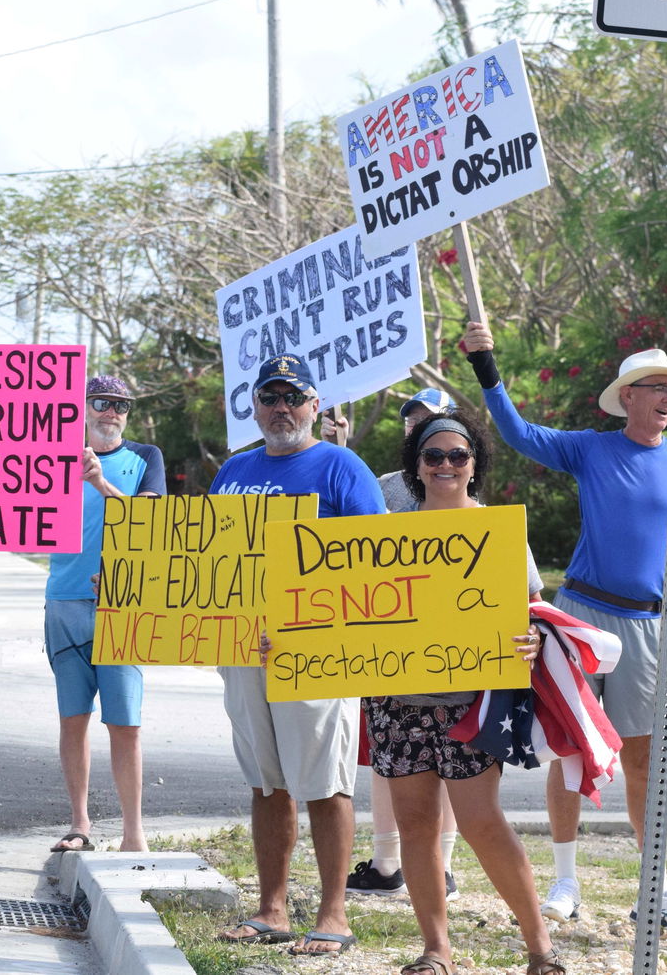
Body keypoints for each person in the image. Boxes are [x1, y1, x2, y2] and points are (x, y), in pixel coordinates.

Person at [461, 321, 667, 938]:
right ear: (627, 396)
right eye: (653, 387)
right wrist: (485, 363)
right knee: (570, 746)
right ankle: (565, 880)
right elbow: (518, 433)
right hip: (581, 616)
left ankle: (655, 889)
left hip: (649, 625)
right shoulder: (592, 449)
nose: (665, 399)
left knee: (644, 760)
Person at [369, 409, 562, 975]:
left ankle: (540, 948)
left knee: (481, 821)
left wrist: (530, 641)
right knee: (415, 824)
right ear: (418, 467)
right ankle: (436, 951)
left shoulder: (500, 530)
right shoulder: (385, 531)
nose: (446, 465)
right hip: (395, 700)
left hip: (471, 702)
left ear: (474, 466)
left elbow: (531, 609)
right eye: (434, 456)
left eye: (458, 456)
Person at [212, 353, 385, 956]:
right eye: (269, 397)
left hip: (317, 651)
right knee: (266, 781)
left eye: (294, 397)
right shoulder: (232, 472)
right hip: (241, 649)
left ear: (315, 406)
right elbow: (204, 564)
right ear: (254, 406)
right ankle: (272, 909)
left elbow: (375, 564)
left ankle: (333, 915)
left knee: (325, 782)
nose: (281, 408)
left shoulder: (342, 467)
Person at [326, 387, 468, 902]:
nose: (420, 431)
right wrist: (340, 451)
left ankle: (444, 868)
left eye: (432, 424)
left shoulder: (472, 500)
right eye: (413, 423)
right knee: (386, 759)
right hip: (390, 646)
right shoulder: (382, 486)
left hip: (451, 652)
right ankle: (388, 864)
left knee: (452, 764)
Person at [42, 375, 165, 854]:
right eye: (102, 402)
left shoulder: (145, 458)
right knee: (73, 718)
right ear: (83, 408)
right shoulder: (48, 456)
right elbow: (12, 507)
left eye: (121, 405)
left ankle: (134, 835)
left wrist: (99, 481)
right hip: (65, 601)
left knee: (125, 722)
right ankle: (80, 825)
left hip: (123, 603)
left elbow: (152, 524)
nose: (111, 412)